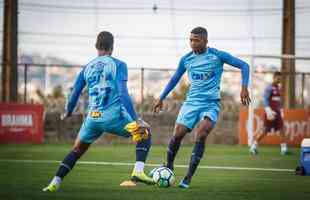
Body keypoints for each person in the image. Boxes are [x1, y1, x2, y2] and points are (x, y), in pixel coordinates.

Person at [43, 31, 154, 192]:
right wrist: (136, 119)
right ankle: (138, 171)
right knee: (145, 132)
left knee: (76, 150)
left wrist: (68, 111)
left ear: (96, 46)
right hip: (113, 117)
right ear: (112, 47)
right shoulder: (118, 64)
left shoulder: (86, 68)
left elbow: (74, 93)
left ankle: (54, 182)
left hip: (93, 119)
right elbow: (123, 93)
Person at [153, 27, 251, 189]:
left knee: (202, 132)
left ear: (205, 41)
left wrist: (244, 87)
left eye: (196, 40)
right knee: (177, 134)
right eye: (191, 40)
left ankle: (188, 177)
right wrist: (161, 98)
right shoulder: (186, 59)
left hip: (210, 104)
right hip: (191, 103)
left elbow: (244, 66)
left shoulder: (217, 55)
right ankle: (169, 165)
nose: (192, 43)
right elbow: (174, 79)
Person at [249, 71, 288, 155]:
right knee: (265, 130)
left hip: (277, 112)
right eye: (278, 78)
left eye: (280, 78)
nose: (279, 79)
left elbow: (278, 102)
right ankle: (253, 146)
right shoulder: (269, 88)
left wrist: (281, 111)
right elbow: (265, 99)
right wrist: (268, 110)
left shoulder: (278, 88)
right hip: (270, 113)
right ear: (274, 78)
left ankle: (284, 149)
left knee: (282, 129)